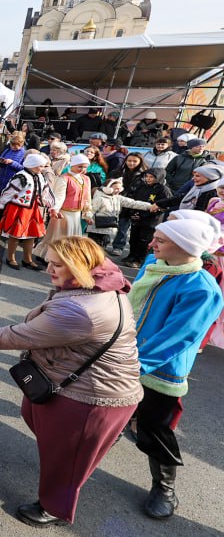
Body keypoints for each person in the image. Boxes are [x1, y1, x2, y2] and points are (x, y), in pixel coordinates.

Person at [0, 236, 141, 527]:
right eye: (49, 262)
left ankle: (54, 508)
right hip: (79, 384)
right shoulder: (100, 284)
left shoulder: (81, 310)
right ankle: (84, 450)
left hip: (92, 397)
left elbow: (19, 336)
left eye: (57, 265)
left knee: (65, 460)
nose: (48, 269)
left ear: (79, 266)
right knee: (35, 417)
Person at [129, 218, 223, 519]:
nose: (151, 244)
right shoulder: (153, 262)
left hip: (159, 370)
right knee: (108, 413)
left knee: (155, 429)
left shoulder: (202, 287)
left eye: (160, 240)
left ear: (184, 247)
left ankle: (164, 487)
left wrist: (134, 364)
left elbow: (177, 337)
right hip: (125, 357)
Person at [0, 154, 55, 270]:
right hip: (18, 208)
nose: (43, 169)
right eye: (41, 166)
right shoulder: (21, 177)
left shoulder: (40, 176)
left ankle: (28, 259)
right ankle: (10, 258)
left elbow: (46, 191)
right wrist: (0, 205)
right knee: (15, 234)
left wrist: (52, 206)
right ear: (32, 165)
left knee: (31, 235)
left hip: (33, 209)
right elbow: (8, 192)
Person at [34, 153, 94, 264]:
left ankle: (64, 258)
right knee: (57, 237)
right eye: (80, 166)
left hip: (76, 214)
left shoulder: (86, 179)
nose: (82, 169)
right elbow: (59, 196)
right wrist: (55, 209)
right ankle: (48, 256)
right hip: (63, 213)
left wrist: (88, 212)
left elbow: (87, 197)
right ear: (73, 165)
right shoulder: (64, 178)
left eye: (85, 167)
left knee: (72, 238)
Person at [120, 170, 171, 268]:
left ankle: (139, 260)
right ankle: (131, 256)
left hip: (150, 220)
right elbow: (134, 201)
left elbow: (164, 206)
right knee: (133, 238)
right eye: (147, 176)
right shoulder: (142, 186)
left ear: (158, 178)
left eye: (151, 177)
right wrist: (133, 213)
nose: (148, 179)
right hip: (137, 217)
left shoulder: (163, 190)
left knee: (144, 241)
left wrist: (145, 215)